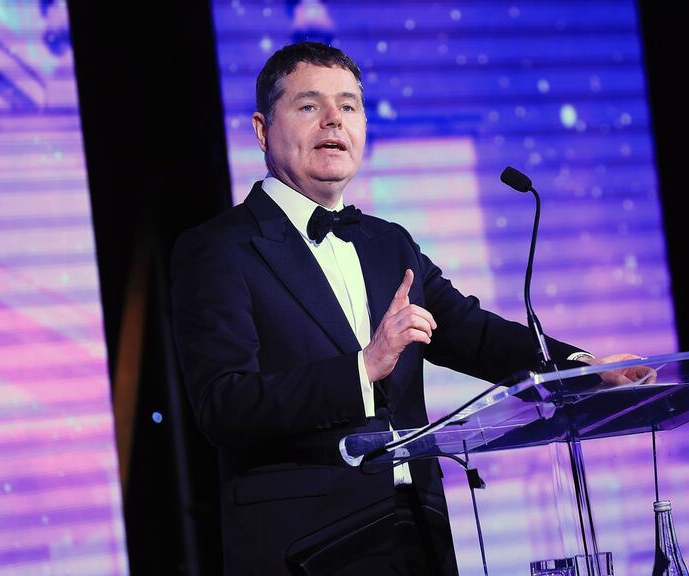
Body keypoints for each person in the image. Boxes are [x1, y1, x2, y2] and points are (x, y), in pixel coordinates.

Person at [170, 41, 651, 575]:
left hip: (415, 532)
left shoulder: (388, 243)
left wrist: (588, 370)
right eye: (310, 106)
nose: (334, 120)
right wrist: (363, 368)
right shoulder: (218, 248)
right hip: (304, 545)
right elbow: (223, 404)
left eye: (349, 106)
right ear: (262, 129)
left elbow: (474, 333)